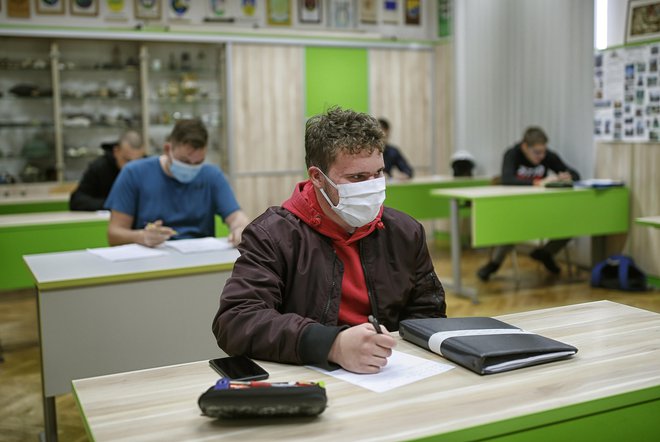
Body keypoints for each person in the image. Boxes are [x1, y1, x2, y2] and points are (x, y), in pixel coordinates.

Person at [213, 107, 446, 374]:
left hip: (387, 372)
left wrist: (391, 351)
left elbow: (428, 313)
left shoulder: (405, 231)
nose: (372, 186)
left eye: (378, 174)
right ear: (317, 177)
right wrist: (330, 345)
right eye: (357, 177)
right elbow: (236, 321)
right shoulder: (273, 235)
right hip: (310, 372)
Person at [104, 119, 250, 247]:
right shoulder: (134, 173)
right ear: (168, 149)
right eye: (185, 161)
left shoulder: (212, 175)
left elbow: (236, 217)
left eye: (198, 162)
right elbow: (114, 234)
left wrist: (240, 229)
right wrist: (142, 236)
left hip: (199, 260)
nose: (191, 167)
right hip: (151, 261)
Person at [477, 126, 580, 281]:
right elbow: (507, 179)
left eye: (543, 151)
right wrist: (538, 182)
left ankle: (545, 253)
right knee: (511, 228)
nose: (541, 156)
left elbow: (575, 174)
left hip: (541, 206)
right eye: (537, 152)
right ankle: (494, 264)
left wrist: (565, 177)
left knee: (572, 224)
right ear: (525, 147)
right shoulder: (512, 154)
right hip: (514, 207)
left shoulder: (547, 156)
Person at [69, 130, 144, 211]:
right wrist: (114, 204)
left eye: (137, 162)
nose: (132, 167)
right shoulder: (99, 167)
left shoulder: (146, 167)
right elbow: (77, 201)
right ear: (116, 151)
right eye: (127, 160)